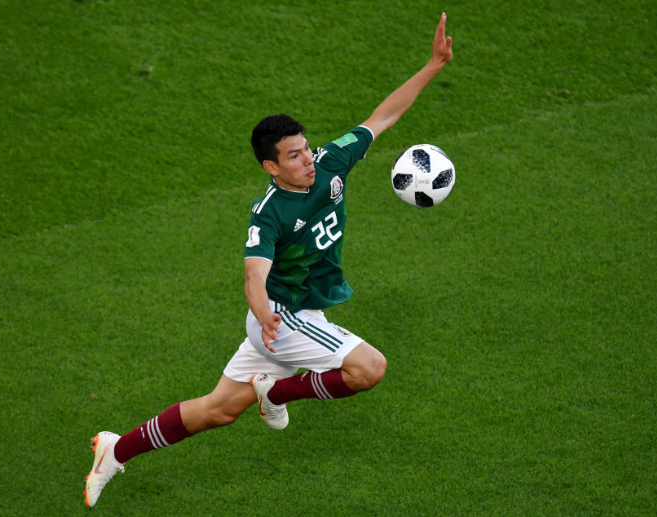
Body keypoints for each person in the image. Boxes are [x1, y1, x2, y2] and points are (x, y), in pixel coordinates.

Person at [84, 13, 453, 507]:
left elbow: (381, 117)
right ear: (271, 166)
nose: (308, 159)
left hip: (296, 317)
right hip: (281, 319)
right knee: (369, 368)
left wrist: (433, 65)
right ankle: (274, 394)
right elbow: (253, 276)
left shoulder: (330, 163)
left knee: (216, 410)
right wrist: (264, 315)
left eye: (306, 148)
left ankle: (115, 450)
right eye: (294, 156)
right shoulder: (269, 214)